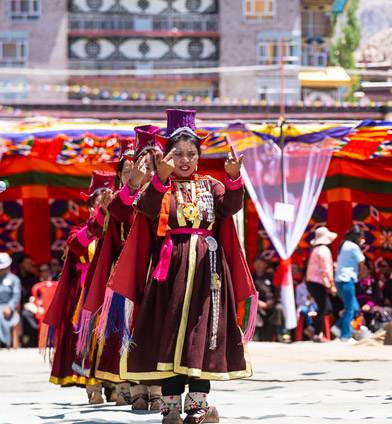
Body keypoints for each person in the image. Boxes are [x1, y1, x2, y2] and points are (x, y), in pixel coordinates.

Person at [101, 109, 257, 424]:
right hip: (169, 273)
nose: (184, 160)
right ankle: (171, 406)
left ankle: (198, 405)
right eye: (178, 154)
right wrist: (158, 178)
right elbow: (144, 209)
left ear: (199, 157)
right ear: (166, 158)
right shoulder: (162, 188)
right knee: (169, 333)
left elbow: (230, 207)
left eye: (191, 153)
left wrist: (234, 178)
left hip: (208, 273)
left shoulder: (211, 185)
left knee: (204, 333)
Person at [81, 125, 164, 411]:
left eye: (153, 164)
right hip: (131, 270)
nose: (145, 171)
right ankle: (136, 388)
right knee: (133, 327)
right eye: (137, 166)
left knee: (161, 327)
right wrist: (132, 187)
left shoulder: (173, 188)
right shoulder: (126, 196)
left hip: (165, 265)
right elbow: (115, 216)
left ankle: (160, 388)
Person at [43, 170, 115, 403]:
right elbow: (78, 245)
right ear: (91, 204)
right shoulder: (81, 232)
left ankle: (114, 386)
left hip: (112, 292)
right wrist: (101, 216)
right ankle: (91, 388)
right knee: (87, 341)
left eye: (108, 196)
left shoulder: (117, 231)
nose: (104, 200)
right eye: (99, 197)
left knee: (111, 339)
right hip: (87, 297)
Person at [332, 225, 366, 342]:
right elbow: (362, 261)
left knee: (354, 307)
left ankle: (337, 327)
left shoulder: (344, 244)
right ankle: (346, 336)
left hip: (339, 281)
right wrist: (360, 246)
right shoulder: (353, 246)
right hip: (347, 280)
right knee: (350, 309)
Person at [304, 226, 337, 342]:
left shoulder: (315, 250)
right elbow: (327, 269)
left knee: (325, 308)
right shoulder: (324, 250)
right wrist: (332, 285)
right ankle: (316, 334)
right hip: (318, 283)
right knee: (324, 308)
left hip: (312, 283)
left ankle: (312, 328)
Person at [254, 256, 288, 342]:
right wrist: (258, 302)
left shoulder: (271, 276)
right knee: (253, 308)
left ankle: (282, 333)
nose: (259, 265)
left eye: (261, 263)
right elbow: (247, 293)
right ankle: (255, 333)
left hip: (270, 304)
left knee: (279, 308)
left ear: (265, 265)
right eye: (257, 263)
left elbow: (277, 291)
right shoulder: (250, 277)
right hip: (258, 304)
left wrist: (272, 301)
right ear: (253, 264)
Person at [356, 258, 384, 332]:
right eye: (360, 269)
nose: (361, 271)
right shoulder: (356, 284)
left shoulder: (374, 283)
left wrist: (369, 304)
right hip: (358, 306)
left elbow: (377, 296)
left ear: (369, 271)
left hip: (370, 307)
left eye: (364, 269)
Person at [0, 253, 21, 348]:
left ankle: (6, 344)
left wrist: (10, 307)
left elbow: (16, 296)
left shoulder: (14, 279)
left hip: (8, 307)